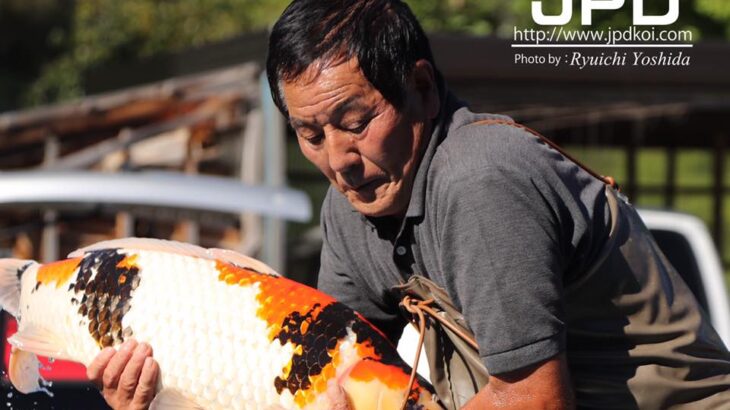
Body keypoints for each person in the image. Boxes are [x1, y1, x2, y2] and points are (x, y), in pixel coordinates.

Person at [88, 0, 730, 409]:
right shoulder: (353, 205)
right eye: (310, 135)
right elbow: (320, 377)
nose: (337, 158)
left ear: (421, 87)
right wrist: (165, 390)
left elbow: (534, 400)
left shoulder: (480, 177)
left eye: (355, 120)